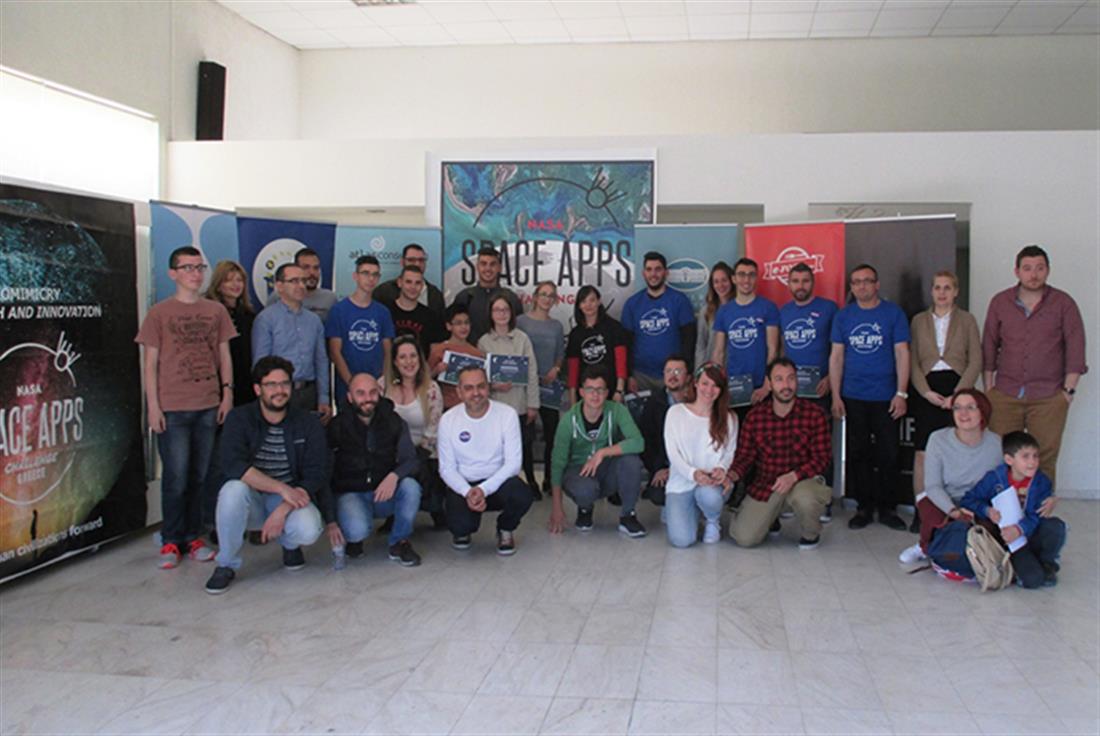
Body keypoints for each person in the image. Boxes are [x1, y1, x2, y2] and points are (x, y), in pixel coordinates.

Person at [136, 246, 233, 569]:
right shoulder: (159, 313)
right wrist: (153, 407)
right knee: (176, 478)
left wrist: (227, 394)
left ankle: (194, 537)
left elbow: (224, 356)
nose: (195, 273)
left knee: (201, 476)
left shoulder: (215, 311)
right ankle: (171, 539)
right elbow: (149, 365)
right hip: (173, 407)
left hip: (208, 404)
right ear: (173, 273)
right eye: (188, 267)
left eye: (199, 267)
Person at [204, 356, 326, 594]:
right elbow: (234, 465)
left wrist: (283, 508)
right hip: (251, 500)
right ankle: (226, 564)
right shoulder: (239, 418)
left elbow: (317, 471)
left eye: (285, 383)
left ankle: (290, 545)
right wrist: (281, 489)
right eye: (271, 384)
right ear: (258, 389)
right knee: (232, 490)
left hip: (287, 500)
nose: (279, 390)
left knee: (309, 528)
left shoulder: (306, 422)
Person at [982, 245, 1087, 487]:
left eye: (1039, 268)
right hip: (1005, 394)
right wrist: (989, 389)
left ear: (1048, 270)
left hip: (1049, 396)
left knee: (1044, 457)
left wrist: (1068, 392)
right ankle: (1005, 507)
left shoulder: (1063, 303)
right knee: (1001, 455)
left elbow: (1076, 347)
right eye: (1027, 268)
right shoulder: (1000, 302)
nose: (1034, 274)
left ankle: (1038, 507)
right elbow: (989, 344)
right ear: (1017, 271)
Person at [829, 263, 910, 531]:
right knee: (858, 453)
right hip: (853, 395)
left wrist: (901, 393)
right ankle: (863, 508)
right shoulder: (843, 316)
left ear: (877, 284)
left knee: (889, 453)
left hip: (886, 396)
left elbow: (902, 354)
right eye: (856, 282)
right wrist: (836, 395)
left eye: (867, 281)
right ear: (851, 287)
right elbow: (837, 357)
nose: (862, 286)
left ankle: (887, 509)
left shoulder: (893, 313)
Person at [728, 358, 833, 549]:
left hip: (803, 481)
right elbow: (745, 456)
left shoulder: (814, 414)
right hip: (768, 484)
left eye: (791, 378)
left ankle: (811, 534)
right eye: (779, 379)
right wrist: (732, 475)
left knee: (805, 499)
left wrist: (794, 476)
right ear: (769, 384)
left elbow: (822, 458)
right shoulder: (755, 417)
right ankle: (771, 518)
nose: (786, 385)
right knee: (744, 538)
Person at [324, 372, 423, 570]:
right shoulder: (336, 427)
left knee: (411, 487)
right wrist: (330, 520)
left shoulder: (393, 421)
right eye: (360, 393)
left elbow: (411, 460)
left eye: (372, 392)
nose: (367, 398)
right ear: (350, 397)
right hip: (350, 493)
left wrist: (394, 476)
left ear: (379, 393)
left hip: (383, 492)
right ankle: (354, 537)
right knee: (357, 530)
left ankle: (399, 542)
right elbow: (324, 473)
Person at [437, 366, 534, 555]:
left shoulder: (507, 414)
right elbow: (447, 469)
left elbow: (513, 464)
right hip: (464, 485)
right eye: (469, 388)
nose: (476, 393)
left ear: (488, 388)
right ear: (459, 392)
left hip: (497, 483)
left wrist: (483, 489)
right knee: (460, 525)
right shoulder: (448, 420)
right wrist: (468, 492)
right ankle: (463, 530)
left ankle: (505, 528)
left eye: (481, 386)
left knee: (522, 495)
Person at [897, 388, 1002, 564]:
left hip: (977, 502)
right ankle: (924, 547)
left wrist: (983, 509)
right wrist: (953, 511)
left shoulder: (996, 443)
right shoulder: (938, 439)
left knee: (985, 529)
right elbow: (933, 486)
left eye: (970, 407)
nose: (963, 413)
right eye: (957, 408)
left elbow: (999, 486)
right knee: (934, 517)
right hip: (944, 498)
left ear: (983, 412)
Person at [909, 270, 982, 512]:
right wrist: (925, 392)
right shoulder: (919, 321)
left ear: (956, 292)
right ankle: (923, 510)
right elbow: (913, 361)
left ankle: (955, 508)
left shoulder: (967, 320)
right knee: (923, 452)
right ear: (931, 291)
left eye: (947, 288)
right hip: (928, 390)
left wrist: (959, 396)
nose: (942, 293)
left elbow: (976, 360)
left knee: (956, 450)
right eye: (937, 287)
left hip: (958, 388)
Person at [547, 368, 646, 537]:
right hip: (578, 472)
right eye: (590, 389)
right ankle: (585, 508)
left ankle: (628, 515)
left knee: (631, 461)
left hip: (606, 468)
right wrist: (557, 507)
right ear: (581, 392)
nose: (595, 395)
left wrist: (602, 453)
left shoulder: (617, 410)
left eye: (600, 390)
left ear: (607, 393)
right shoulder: (568, 420)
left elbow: (638, 442)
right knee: (585, 489)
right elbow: (557, 464)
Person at [961, 431, 1067, 588]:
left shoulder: (1041, 482)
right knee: (1033, 581)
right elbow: (969, 499)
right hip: (1007, 541)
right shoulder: (994, 478)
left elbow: (1037, 515)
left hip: (1028, 533)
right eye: (1025, 456)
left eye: (1035, 456)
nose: (1032, 462)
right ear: (1009, 460)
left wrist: (1019, 529)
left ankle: (1047, 563)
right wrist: (987, 510)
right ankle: (1016, 564)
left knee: (1055, 526)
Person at [778, 261, 839, 522]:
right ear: (789, 284)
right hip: (790, 393)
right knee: (790, 445)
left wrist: (830, 378)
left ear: (812, 283)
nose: (800, 286)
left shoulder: (829, 309)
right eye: (795, 281)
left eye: (804, 281)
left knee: (820, 447)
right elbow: (781, 350)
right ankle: (792, 499)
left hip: (819, 390)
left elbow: (838, 349)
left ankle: (823, 501)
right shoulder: (783, 312)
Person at [663, 362, 738, 547]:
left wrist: (722, 469)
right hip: (682, 483)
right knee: (682, 540)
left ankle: (712, 520)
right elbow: (673, 454)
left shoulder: (729, 418)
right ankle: (691, 512)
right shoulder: (675, 413)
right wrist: (693, 474)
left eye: (715, 385)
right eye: (705, 383)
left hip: (712, 483)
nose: (709, 390)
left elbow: (729, 452)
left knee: (709, 497)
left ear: (721, 390)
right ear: (695, 383)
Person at [477, 293, 541, 493]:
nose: (502, 314)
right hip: (495, 405)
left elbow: (531, 372)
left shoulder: (522, 339)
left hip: (519, 404)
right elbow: (479, 377)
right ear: (490, 314)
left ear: (511, 313)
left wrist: (533, 404)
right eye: (497, 310)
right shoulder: (484, 342)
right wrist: (493, 386)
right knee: (497, 449)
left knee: (524, 446)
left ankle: (531, 481)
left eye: (505, 310)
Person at [252, 262, 331, 422]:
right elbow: (260, 364)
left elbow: (321, 361)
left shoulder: (314, 320)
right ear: (279, 286)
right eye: (294, 281)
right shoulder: (266, 319)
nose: (301, 285)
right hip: (278, 392)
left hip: (309, 392)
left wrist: (324, 397)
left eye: (303, 281)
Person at [388, 335, 446, 529]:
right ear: (395, 362)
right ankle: (392, 512)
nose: (409, 362)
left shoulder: (432, 389)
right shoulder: (382, 387)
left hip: (426, 451)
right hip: (393, 452)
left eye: (413, 356)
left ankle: (435, 508)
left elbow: (434, 429)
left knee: (418, 468)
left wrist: (413, 457)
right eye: (403, 357)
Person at [517, 280, 565, 497]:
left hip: (549, 387)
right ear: (535, 297)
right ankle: (530, 481)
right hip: (527, 387)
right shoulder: (521, 322)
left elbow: (560, 354)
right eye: (543, 294)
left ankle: (548, 478)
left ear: (555, 300)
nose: (547, 298)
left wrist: (556, 368)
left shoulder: (557, 326)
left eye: (551, 295)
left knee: (552, 436)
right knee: (527, 437)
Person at [621, 251, 696, 393]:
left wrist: (687, 372)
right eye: (649, 269)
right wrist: (629, 375)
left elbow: (689, 341)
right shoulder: (632, 304)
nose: (653, 274)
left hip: (673, 375)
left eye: (658, 269)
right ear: (643, 273)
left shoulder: (679, 301)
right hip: (640, 376)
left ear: (666, 273)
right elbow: (626, 343)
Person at [711, 257, 780, 409]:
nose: (746, 280)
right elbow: (718, 352)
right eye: (742, 275)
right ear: (734, 279)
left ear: (756, 278)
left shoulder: (768, 307)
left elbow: (773, 349)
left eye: (751, 275)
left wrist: (767, 383)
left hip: (760, 387)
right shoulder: (724, 312)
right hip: (734, 385)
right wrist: (718, 384)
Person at [325, 255, 395, 403]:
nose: (371, 278)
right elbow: (335, 352)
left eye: (375, 274)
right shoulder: (339, 310)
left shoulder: (383, 312)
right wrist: (352, 383)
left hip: (376, 388)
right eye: (365, 273)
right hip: (346, 388)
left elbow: (388, 351)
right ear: (355, 276)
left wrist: (382, 382)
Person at [639, 355, 693, 508]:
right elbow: (647, 442)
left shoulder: (697, 401)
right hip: (665, 466)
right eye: (668, 371)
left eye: (678, 371)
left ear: (688, 377)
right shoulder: (653, 403)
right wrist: (658, 469)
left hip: (695, 467)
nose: (672, 376)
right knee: (658, 494)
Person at [565, 285, 629, 404]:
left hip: (611, 391)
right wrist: (573, 401)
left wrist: (619, 390)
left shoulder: (614, 327)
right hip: (586, 394)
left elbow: (621, 361)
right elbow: (573, 370)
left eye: (592, 300)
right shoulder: (575, 334)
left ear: (599, 302)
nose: (588, 305)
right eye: (583, 301)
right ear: (579, 305)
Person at [205, 260, 256, 408]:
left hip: (245, 384)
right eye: (228, 280)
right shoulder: (209, 314)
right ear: (218, 285)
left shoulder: (249, 316)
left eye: (239, 280)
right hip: (217, 385)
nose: (235, 285)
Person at [450, 246, 523, 344]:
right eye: (483, 264)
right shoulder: (464, 297)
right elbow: (454, 330)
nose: (488, 268)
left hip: (502, 351)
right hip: (470, 352)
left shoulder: (511, 298)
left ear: (499, 268)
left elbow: (517, 332)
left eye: (492, 264)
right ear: (477, 267)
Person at [428, 303, 485, 410]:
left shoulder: (477, 353)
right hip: (446, 406)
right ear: (449, 326)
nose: (464, 327)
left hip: (471, 406)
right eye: (458, 323)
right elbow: (425, 379)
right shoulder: (438, 350)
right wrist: (436, 371)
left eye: (466, 322)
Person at [386, 265, 447, 360]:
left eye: (417, 283)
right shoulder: (385, 312)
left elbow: (435, 353)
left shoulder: (431, 317)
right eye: (408, 282)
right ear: (399, 283)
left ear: (422, 286)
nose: (413, 287)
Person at [374, 242, 445, 319]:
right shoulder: (384, 292)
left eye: (421, 260)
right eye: (411, 260)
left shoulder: (435, 295)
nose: (417, 264)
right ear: (402, 262)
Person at [266, 247, 337, 323]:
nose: (312, 272)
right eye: (306, 267)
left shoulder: (329, 298)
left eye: (316, 268)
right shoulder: (278, 296)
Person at [695, 261, 734, 370]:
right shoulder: (706, 311)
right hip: (712, 370)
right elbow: (701, 345)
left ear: (732, 281)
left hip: (736, 368)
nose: (720, 285)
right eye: (716, 281)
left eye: (724, 280)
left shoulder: (740, 309)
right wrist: (700, 371)